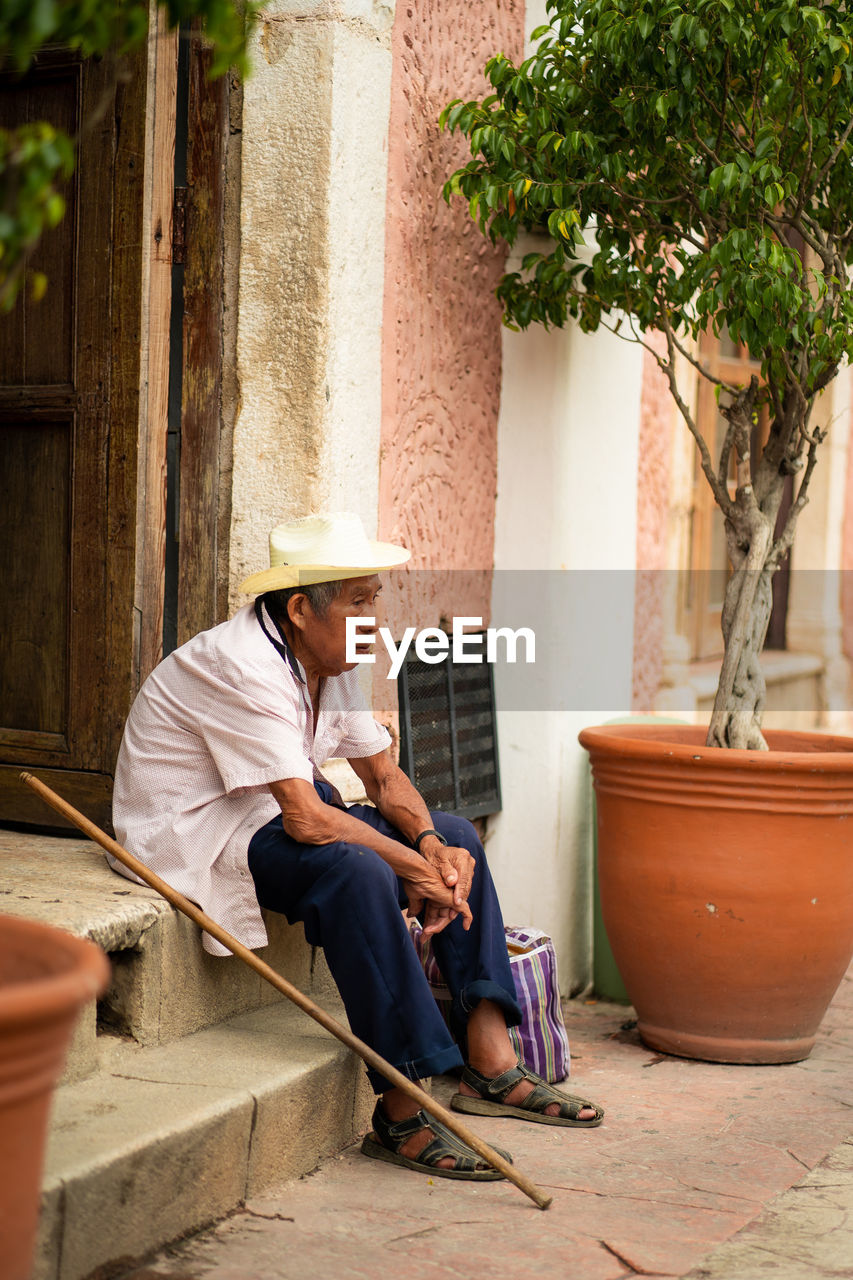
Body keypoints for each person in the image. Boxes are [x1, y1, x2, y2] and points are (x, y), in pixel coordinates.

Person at [111, 511, 603, 1181]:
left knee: (457, 833)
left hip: (267, 814)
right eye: (361, 601)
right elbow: (309, 821)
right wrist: (408, 867)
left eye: (377, 598)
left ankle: (490, 1064)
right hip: (200, 831)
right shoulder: (240, 663)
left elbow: (383, 775)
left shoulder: (331, 655)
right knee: (356, 871)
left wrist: (429, 846)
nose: (375, 616)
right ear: (299, 609)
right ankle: (400, 1113)